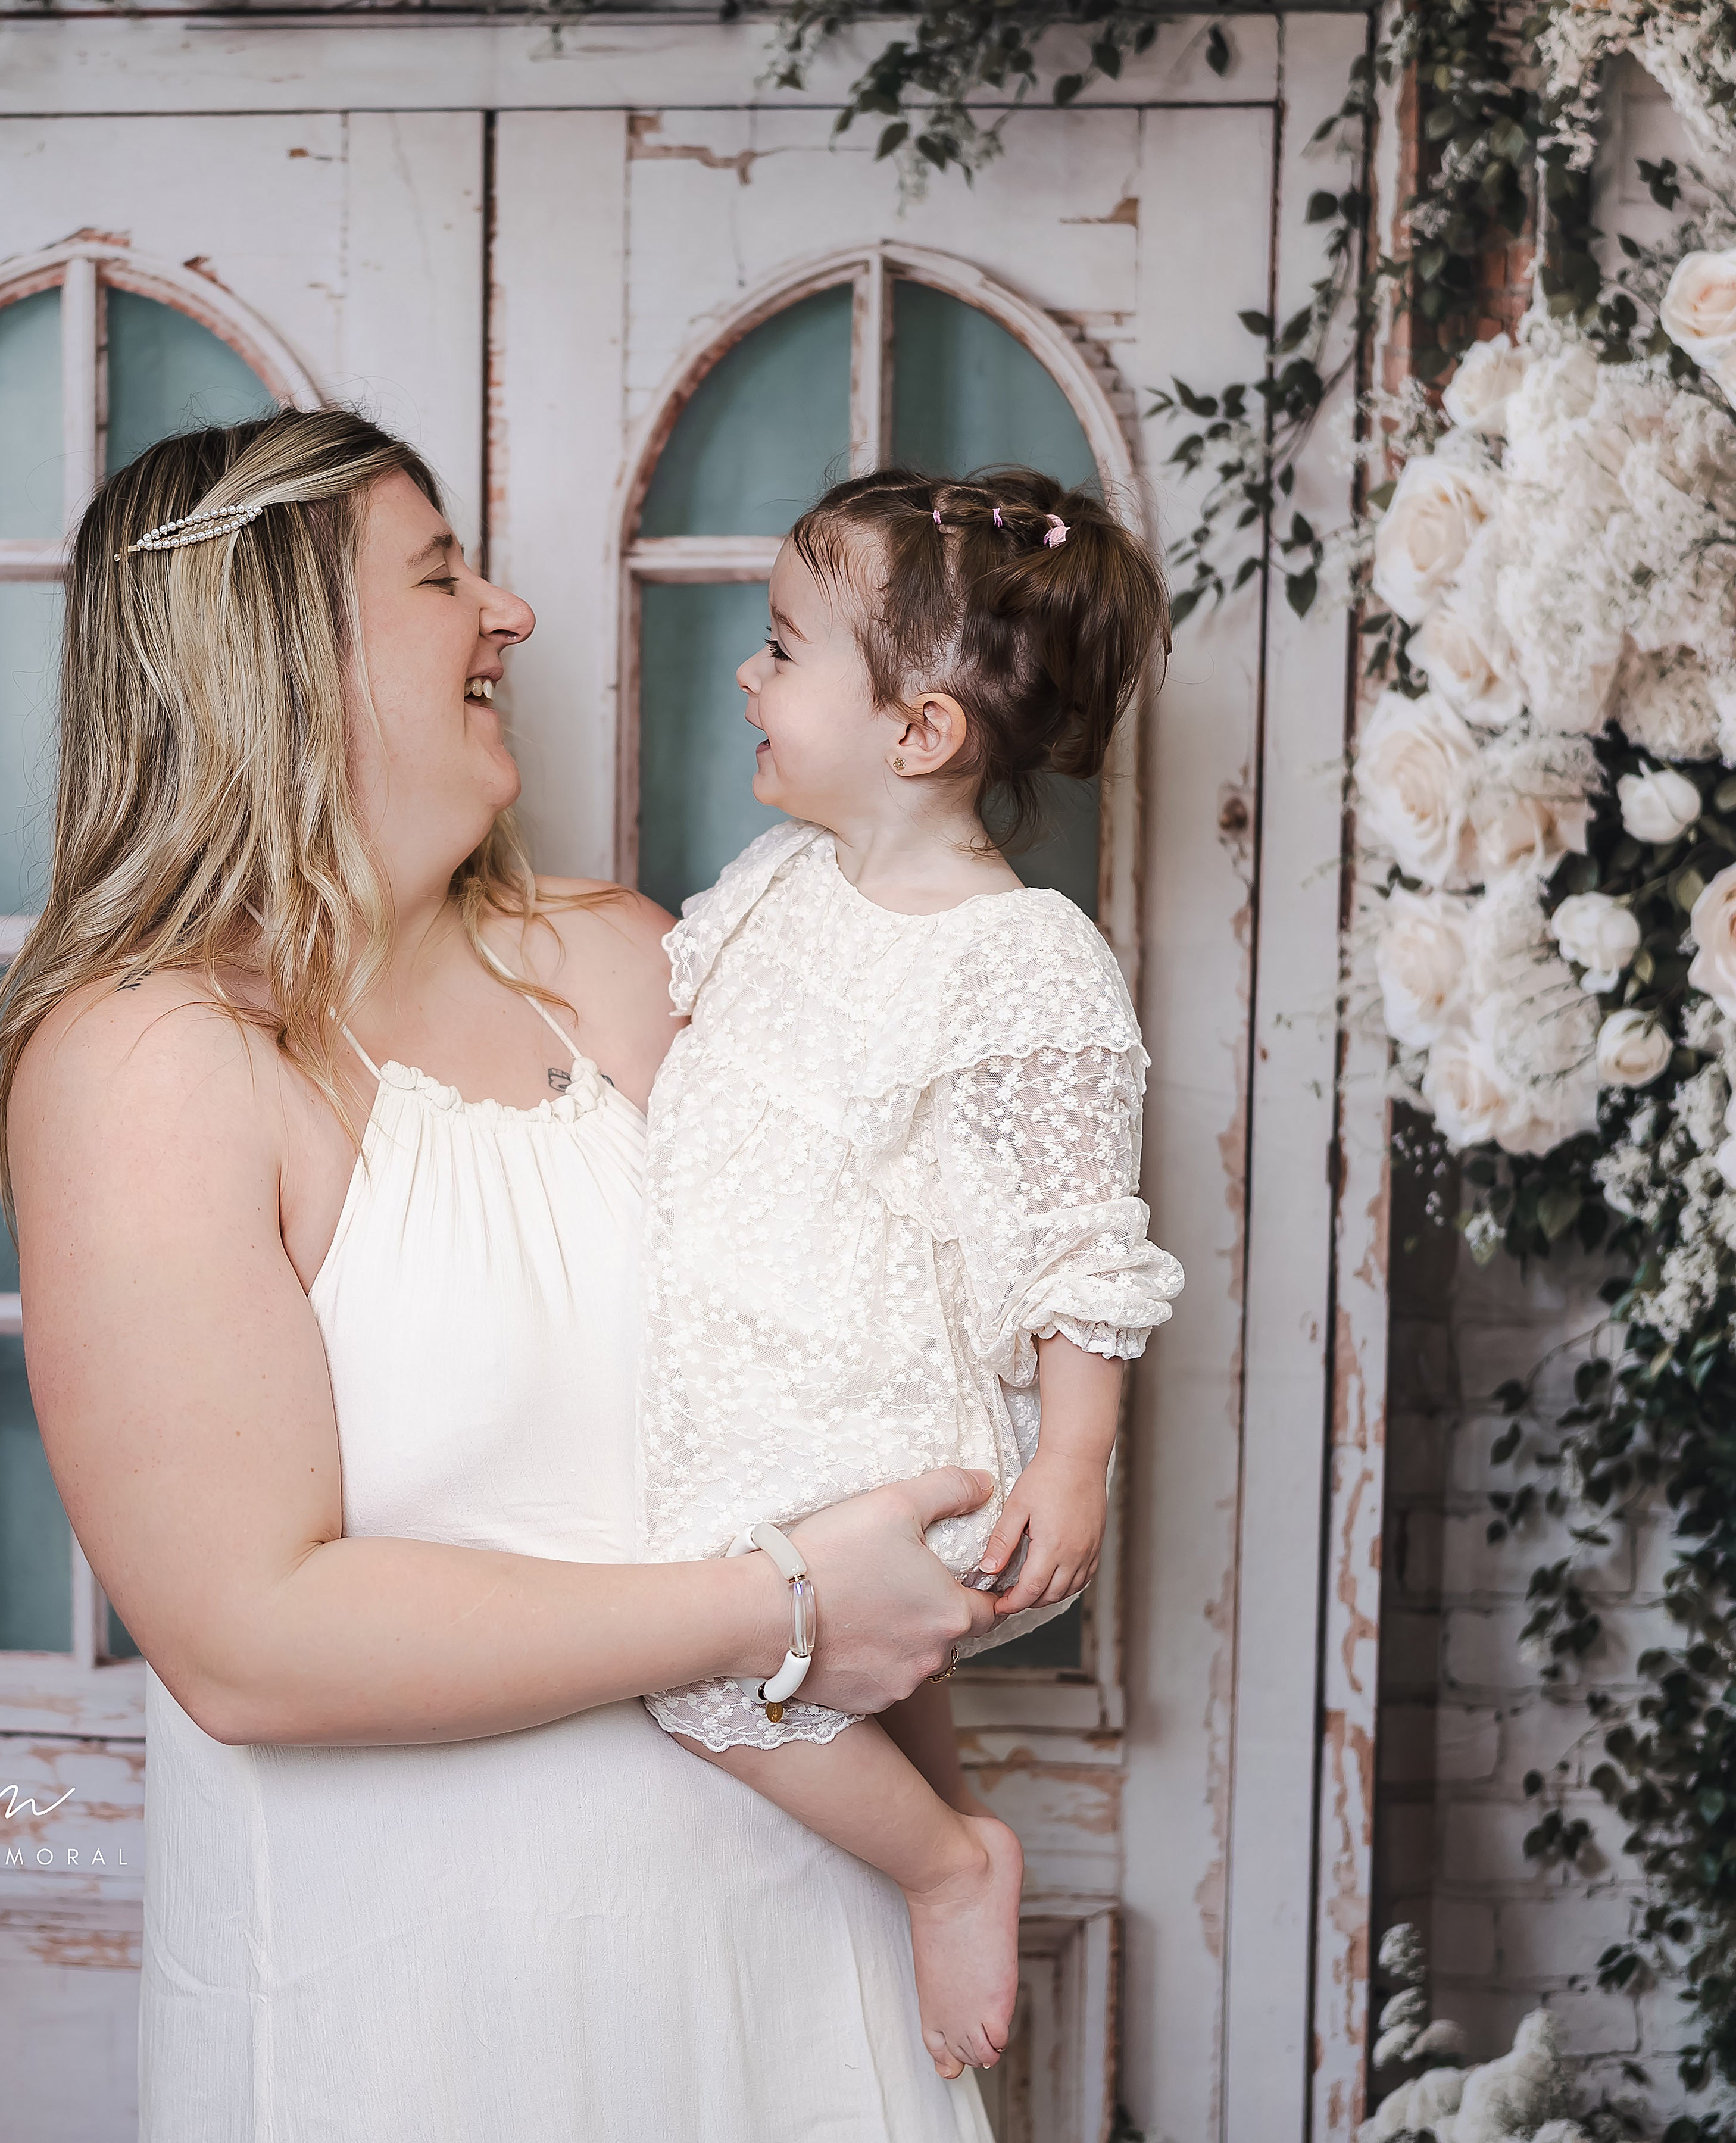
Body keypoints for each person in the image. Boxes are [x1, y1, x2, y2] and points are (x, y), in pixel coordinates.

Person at [0, 407, 1022, 2139]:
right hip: (418, 2023)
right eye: (443, 573)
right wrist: (778, 1606)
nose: (510, 614)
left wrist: (944, 1893)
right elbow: (253, 1638)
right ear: (282, 643)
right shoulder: (147, 1055)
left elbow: (850, 1440)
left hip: (803, 1989)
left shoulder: (628, 964)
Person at [630, 466, 1188, 2077]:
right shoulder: (785, 885)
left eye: (785, 648)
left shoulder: (1022, 957)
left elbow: (1083, 1239)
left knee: (710, 1668)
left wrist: (1075, 1460)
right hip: (752, 1357)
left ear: (919, 733)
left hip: (875, 1394)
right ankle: (928, 1823)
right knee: (835, 1674)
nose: (749, 674)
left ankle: (954, 1865)